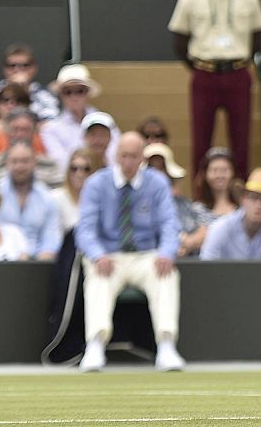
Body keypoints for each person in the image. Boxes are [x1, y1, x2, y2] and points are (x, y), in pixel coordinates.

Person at [75, 133, 184, 372]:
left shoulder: (157, 182)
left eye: (134, 156)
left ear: (141, 158)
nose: (128, 162)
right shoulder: (96, 183)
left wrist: (167, 253)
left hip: (146, 255)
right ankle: (95, 345)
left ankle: (166, 345)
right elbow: (84, 230)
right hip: (109, 255)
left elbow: (169, 224)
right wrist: (97, 254)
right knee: (97, 275)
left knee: (166, 273)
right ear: (116, 156)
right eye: (124, 155)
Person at [169, 0, 261, 177]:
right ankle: (201, 197)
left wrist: (241, 60)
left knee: (241, 139)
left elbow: (258, 36)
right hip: (205, 72)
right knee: (201, 139)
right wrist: (198, 66)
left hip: (238, 72)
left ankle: (241, 195)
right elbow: (180, 40)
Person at [199, 166, 261, 260]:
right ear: (243, 200)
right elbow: (207, 267)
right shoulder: (221, 228)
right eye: (254, 198)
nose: (259, 205)